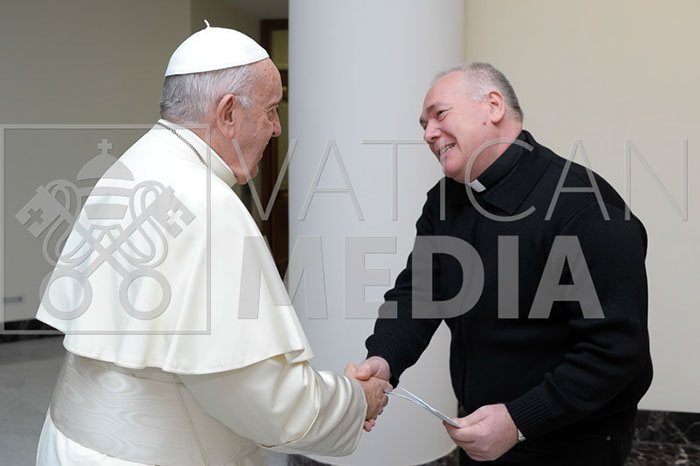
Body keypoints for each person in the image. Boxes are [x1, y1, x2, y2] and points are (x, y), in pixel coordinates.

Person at [35, 24, 390, 465]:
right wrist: (355, 399)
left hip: (69, 444)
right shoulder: (209, 203)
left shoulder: (130, 166)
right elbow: (268, 402)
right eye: (271, 110)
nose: (277, 128)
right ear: (227, 114)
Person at [350, 62, 652, 465]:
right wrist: (384, 359)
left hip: (571, 441)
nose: (427, 134)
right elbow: (420, 292)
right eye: (423, 124)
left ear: (493, 106)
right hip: (481, 431)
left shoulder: (584, 207)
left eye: (439, 115)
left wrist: (517, 421)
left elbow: (616, 352)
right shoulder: (445, 200)